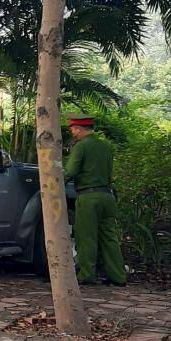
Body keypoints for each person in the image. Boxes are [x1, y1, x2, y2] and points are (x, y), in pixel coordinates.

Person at [65, 116, 127, 286]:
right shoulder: (105, 146)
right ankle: (118, 277)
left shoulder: (81, 146)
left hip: (88, 197)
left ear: (79, 129)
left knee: (86, 237)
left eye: (73, 128)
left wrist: (53, 185)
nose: (72, 131)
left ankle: (86, 275)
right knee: (109, 238)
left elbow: (70, 171)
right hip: (107, 196)